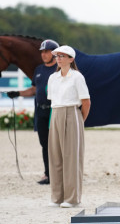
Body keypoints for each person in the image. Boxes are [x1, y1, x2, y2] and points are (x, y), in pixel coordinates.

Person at [7, 39, 59, 185]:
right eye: (42, 52)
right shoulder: (39, 70)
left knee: (57, 144)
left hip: (54, 112)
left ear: (54, 53)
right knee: (44, 144)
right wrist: (17, 93)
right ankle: (48, 174)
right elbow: (35, 90)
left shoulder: (59, 70)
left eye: (47, 52)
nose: (43, 54)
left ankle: (60, 173)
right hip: (41, 112)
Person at [47, 45, 91, 208]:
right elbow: (53, 100)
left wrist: (79, 121)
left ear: (71, 59)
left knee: (71, 158)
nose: (58, 58)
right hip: (56, 114)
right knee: (55, 157)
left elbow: (86, 102)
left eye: (62, 56)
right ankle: (57, 197)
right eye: (57, 56)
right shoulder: (53, 78)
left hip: (72, 113)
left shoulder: (77, 77)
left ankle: (72, 198)